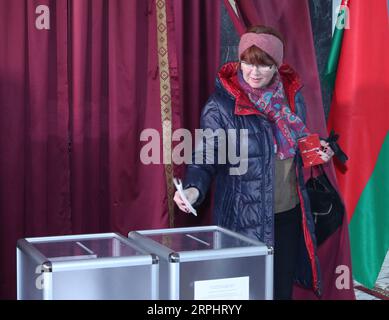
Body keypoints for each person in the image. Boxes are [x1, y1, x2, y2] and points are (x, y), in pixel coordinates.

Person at [173, 25, 335, 300]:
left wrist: (318, 151)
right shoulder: (221, 107)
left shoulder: (292, 101)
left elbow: (295, 147)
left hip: (289, 217)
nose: (254, 72)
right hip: (243, 222)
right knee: (246, 295)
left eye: (264, 65)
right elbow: (204, 158)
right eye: (247, 62)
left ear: (277, 66)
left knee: (280, 293)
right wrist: (192, 190)